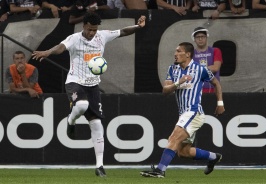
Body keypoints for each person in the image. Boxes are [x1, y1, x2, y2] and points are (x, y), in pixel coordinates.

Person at [32, 12, 146, 177]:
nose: (92, 33)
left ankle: (99, 166)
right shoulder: (74, 38)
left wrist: (138, 26)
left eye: (94, 29)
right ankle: (71, 121)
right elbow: (61, 47)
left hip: (93, 86)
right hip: (75, 82)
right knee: (82, 105)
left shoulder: (102, 36)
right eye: (90, 29)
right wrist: (48, 52)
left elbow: (123, 32)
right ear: (84, 26)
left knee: (97, 125)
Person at [140, 42, 225, 178]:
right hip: (184, 113)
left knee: (173, 138)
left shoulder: (200, 69)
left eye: (179, 51)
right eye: (175, 51)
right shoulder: (173, 69)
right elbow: (165, 90)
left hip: (194, 112)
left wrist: (220, 103)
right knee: (183, 152)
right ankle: (214, 157)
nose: (175, 54)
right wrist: (178, 82)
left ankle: (160, 170)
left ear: (188, 54)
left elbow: (215, 83)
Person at [191, 27, 223, 93]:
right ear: (194, 39)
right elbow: (189, 71)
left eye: (202, 36)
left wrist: (196, 70)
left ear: (206, 37)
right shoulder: (191, 54)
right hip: (195, 89)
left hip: (213, 89)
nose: (200, 39)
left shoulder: (215, 51)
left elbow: (215, 68)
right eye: (197, 37)